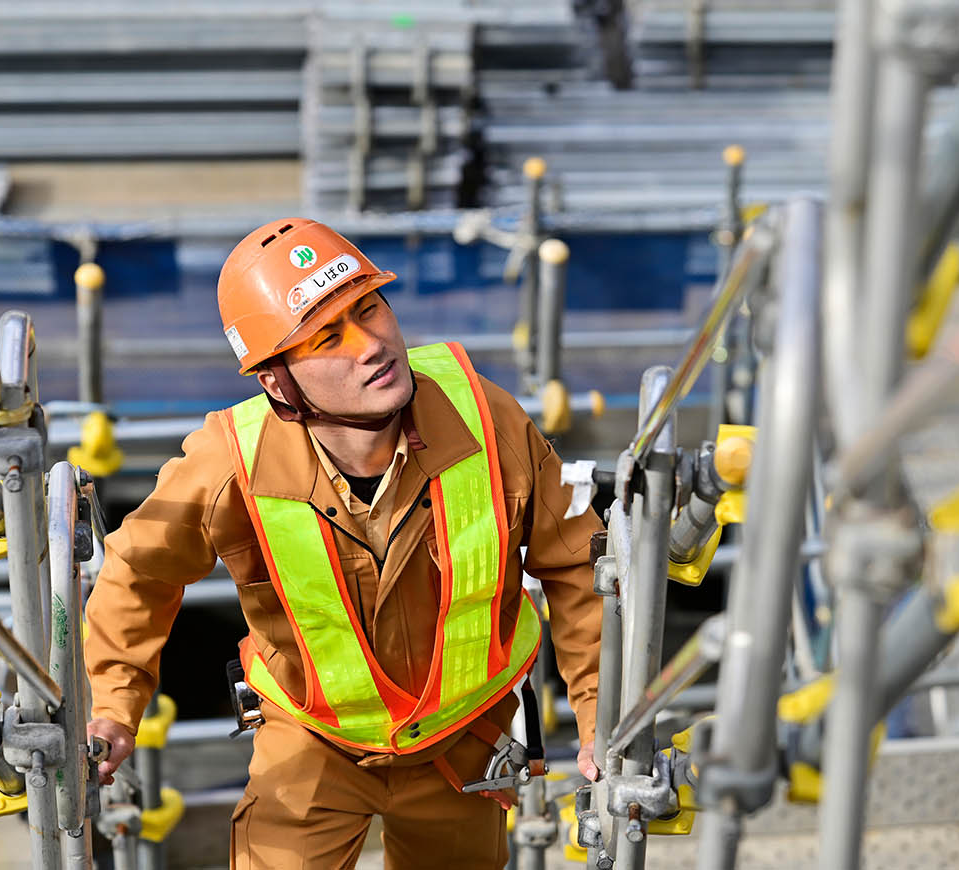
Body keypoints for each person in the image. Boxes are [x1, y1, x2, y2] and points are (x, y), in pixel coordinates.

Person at [84, 218, 603, 869]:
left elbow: (579, 567)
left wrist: (597, 715)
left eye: (369, 308)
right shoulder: (229, 462)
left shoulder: (486, 417)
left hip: (465, 740)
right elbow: (138, 572)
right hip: (311, 742)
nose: (372, 345)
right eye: (328, 336)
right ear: (276, 381)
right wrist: (112, 707)